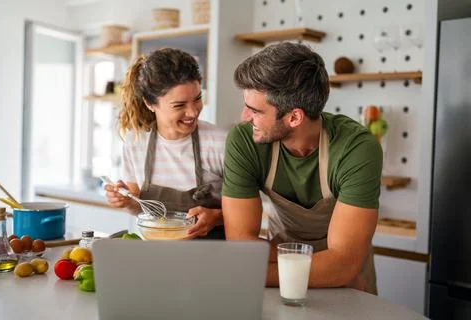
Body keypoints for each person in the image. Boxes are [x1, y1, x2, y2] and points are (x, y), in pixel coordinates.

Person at [222, 42, 382, 294]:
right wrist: (327, 268)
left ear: (294, 117)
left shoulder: (356, 148)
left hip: (347, 285)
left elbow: (344, 265)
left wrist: (251, 272)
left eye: (254, 111)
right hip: (280, 272)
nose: (244, 117)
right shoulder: (244, 140)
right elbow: (241, 244)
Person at [104, 48, 226, 239]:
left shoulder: (220, 142)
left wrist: (216, 217)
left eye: (197, 99)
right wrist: (126, 202)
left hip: (212, 257)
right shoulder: (136, 142)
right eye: (179, 105)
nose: (193, 112)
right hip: (157, 254)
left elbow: (249, 212)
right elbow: (139, 208)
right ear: (150, 104)